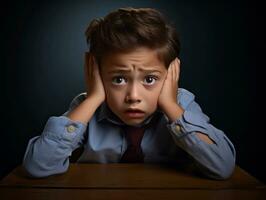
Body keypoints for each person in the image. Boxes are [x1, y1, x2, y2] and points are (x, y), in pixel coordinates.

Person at [23, 7, 236, 179]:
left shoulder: (181, 104)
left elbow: (222, 167)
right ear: (95, 72)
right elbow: (38, 166)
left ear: (171, 73)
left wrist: (171, 106)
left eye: (150, 79)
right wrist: (94, 97)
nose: (133, 96)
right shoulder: (87, 108)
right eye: (119, 79)